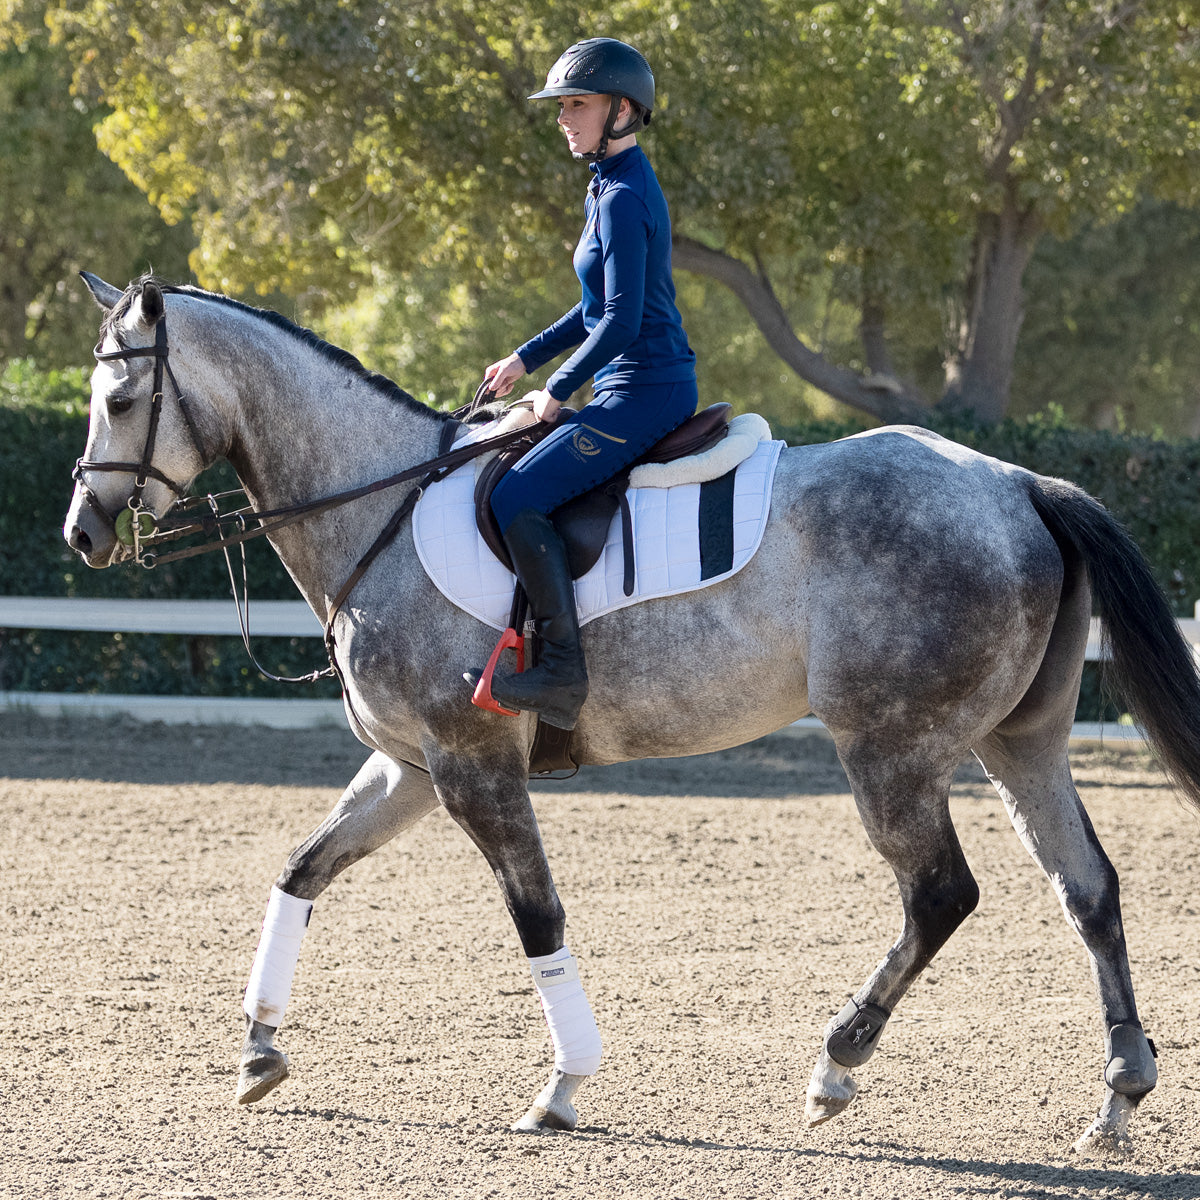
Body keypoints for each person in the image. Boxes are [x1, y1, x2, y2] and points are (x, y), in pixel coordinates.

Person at [466, 37, 698, 732]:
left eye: (577, 104)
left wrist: (557, 390)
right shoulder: (607, 186)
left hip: (648, 390)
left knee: (516, 495)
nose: (563, 118)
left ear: (622, 111)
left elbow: (622, 324)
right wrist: (525, 358)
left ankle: (563, 670)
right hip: (625, 384)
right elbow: (595, 306)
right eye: (562, 106)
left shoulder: (625, 197)